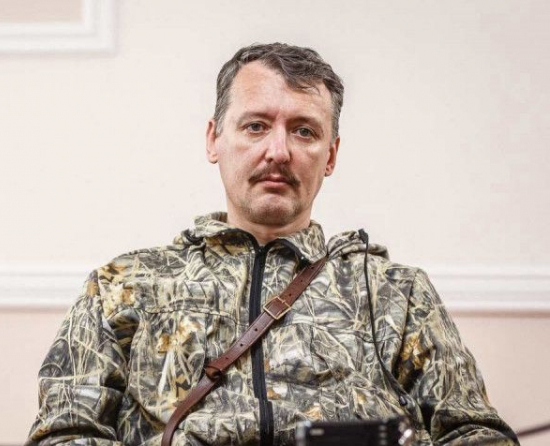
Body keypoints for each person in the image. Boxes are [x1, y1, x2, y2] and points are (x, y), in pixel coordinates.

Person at [26, 43, 517, 445]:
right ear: (214, 139)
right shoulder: (123, 285)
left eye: (303, 131)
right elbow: (64, 435)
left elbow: (475, 433)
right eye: (256, 126)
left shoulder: (397, 293)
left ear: (330, 156)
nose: (278, 151)